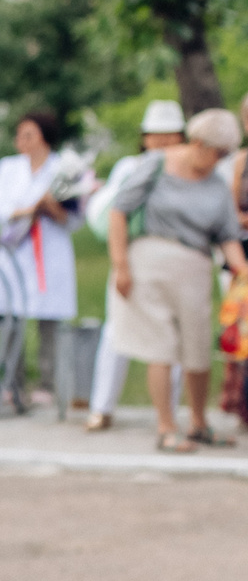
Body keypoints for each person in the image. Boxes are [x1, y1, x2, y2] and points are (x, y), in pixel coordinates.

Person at [102, 107, 248, 452]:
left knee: (197, 348)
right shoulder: (155, 165)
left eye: (225, 154)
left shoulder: (215, 183)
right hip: (148, 264)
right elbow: (119, 210)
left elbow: (227, 235)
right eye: (217, 152)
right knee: (161, 346)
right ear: (198, 143)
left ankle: (199, 423)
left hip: (194, 269)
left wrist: (243, 274)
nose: (220, 160)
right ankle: (166, 426)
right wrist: (120, 265)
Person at [85, 100, 187, 430]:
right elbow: (113, 214)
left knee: (173, 337)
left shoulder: (187, 170)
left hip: (175, 259)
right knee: (117, 331)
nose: (163, 141)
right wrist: (121, 264)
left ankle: (168, 412)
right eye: (156, 134)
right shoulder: (131, 168)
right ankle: (102, 407)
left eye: (170, 134)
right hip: (133, 254)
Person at [0, 108, 87, 407]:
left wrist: (51, 208)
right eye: (19, 135)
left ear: (44, 137)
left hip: (50, 247)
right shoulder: (8, 167)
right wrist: (34, 206)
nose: (22, 141)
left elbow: (74, 218)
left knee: (49, 319)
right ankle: (13, 382)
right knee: (11, 316)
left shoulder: (64, 169)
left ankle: (47, 383)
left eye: (28, 135)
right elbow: (0, 209)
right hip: (17, 247)